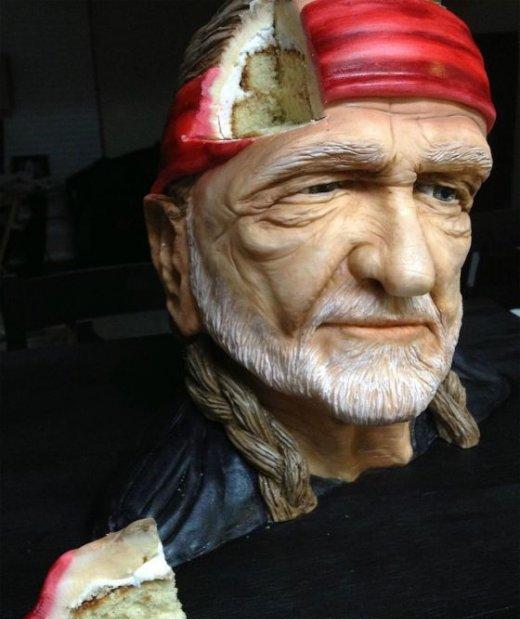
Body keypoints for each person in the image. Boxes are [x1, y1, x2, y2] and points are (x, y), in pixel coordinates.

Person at [104, 0, 507, 566]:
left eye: (443, 192)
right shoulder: (157, 527)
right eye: (319, 188)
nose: (411, 270)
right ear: (176, 253)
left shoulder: (496, 393)